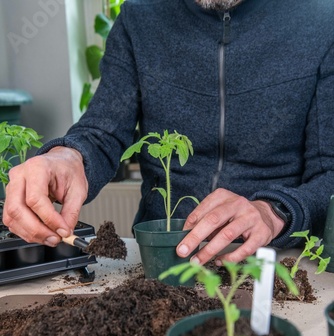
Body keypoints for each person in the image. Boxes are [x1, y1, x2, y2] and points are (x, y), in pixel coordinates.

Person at [3, 0, 334, 266]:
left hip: (277, 259)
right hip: (159, 259)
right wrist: (66, 157)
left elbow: (329, 172)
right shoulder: (139, 16)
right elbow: (102, 131)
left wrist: (271, 211)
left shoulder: (322, 20)